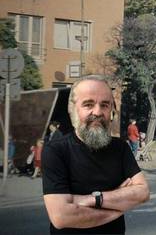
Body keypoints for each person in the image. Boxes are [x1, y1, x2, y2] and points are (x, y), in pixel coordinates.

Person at [41, 75, 149, 234]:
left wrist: (93, 200)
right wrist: (117, 208)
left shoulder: (120, 148)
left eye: (105, 105)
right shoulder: (56, 151)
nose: (98, 112)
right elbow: (61, 217)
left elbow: (143, 192)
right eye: (88, 104)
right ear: (73, 110)